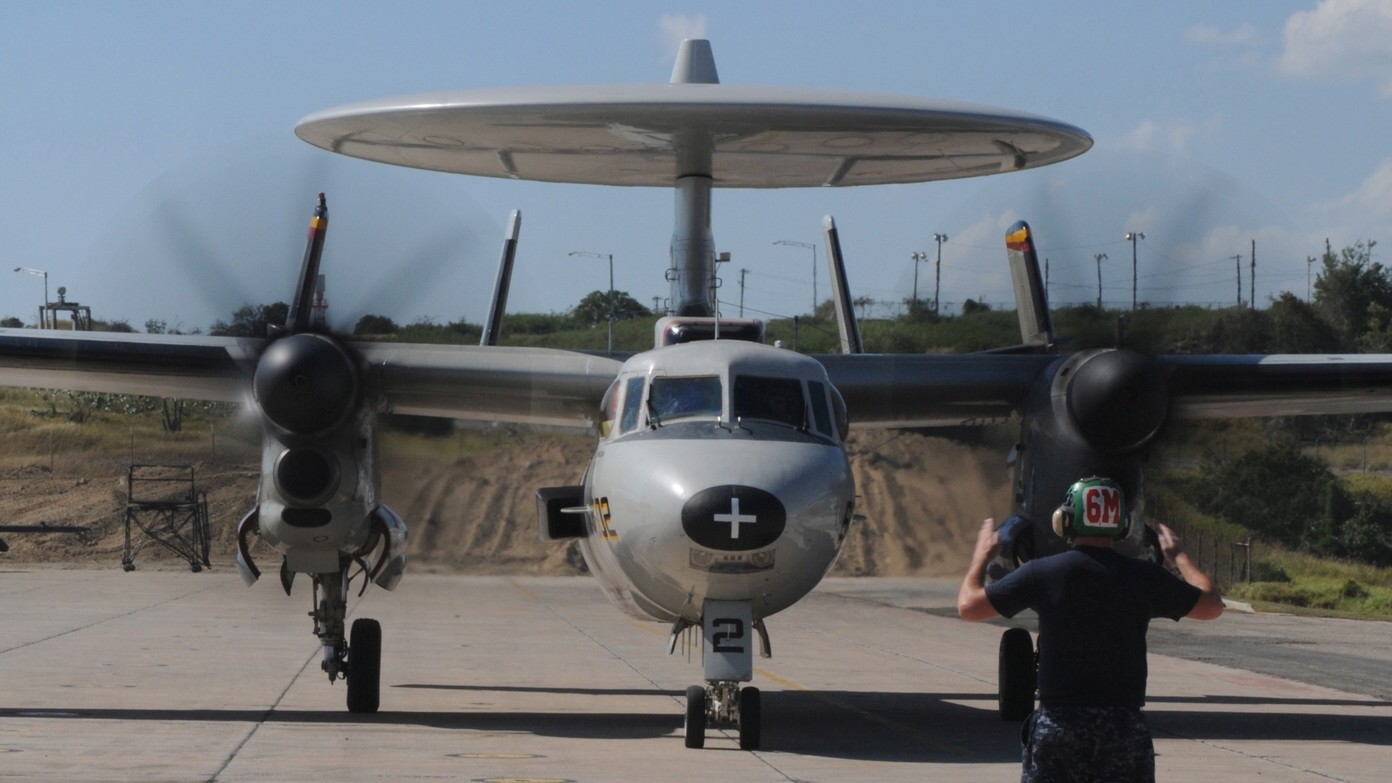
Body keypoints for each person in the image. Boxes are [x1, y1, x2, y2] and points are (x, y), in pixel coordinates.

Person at [957, 477, 1224, 783]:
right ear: (1122, 524)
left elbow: (969, 606)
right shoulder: (1145, 577)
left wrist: (981, 558)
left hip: (1059, 725)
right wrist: (1179, 556)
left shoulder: (1042, 572)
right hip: (1123, 728)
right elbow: (1212, 606)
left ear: (1065, 520)